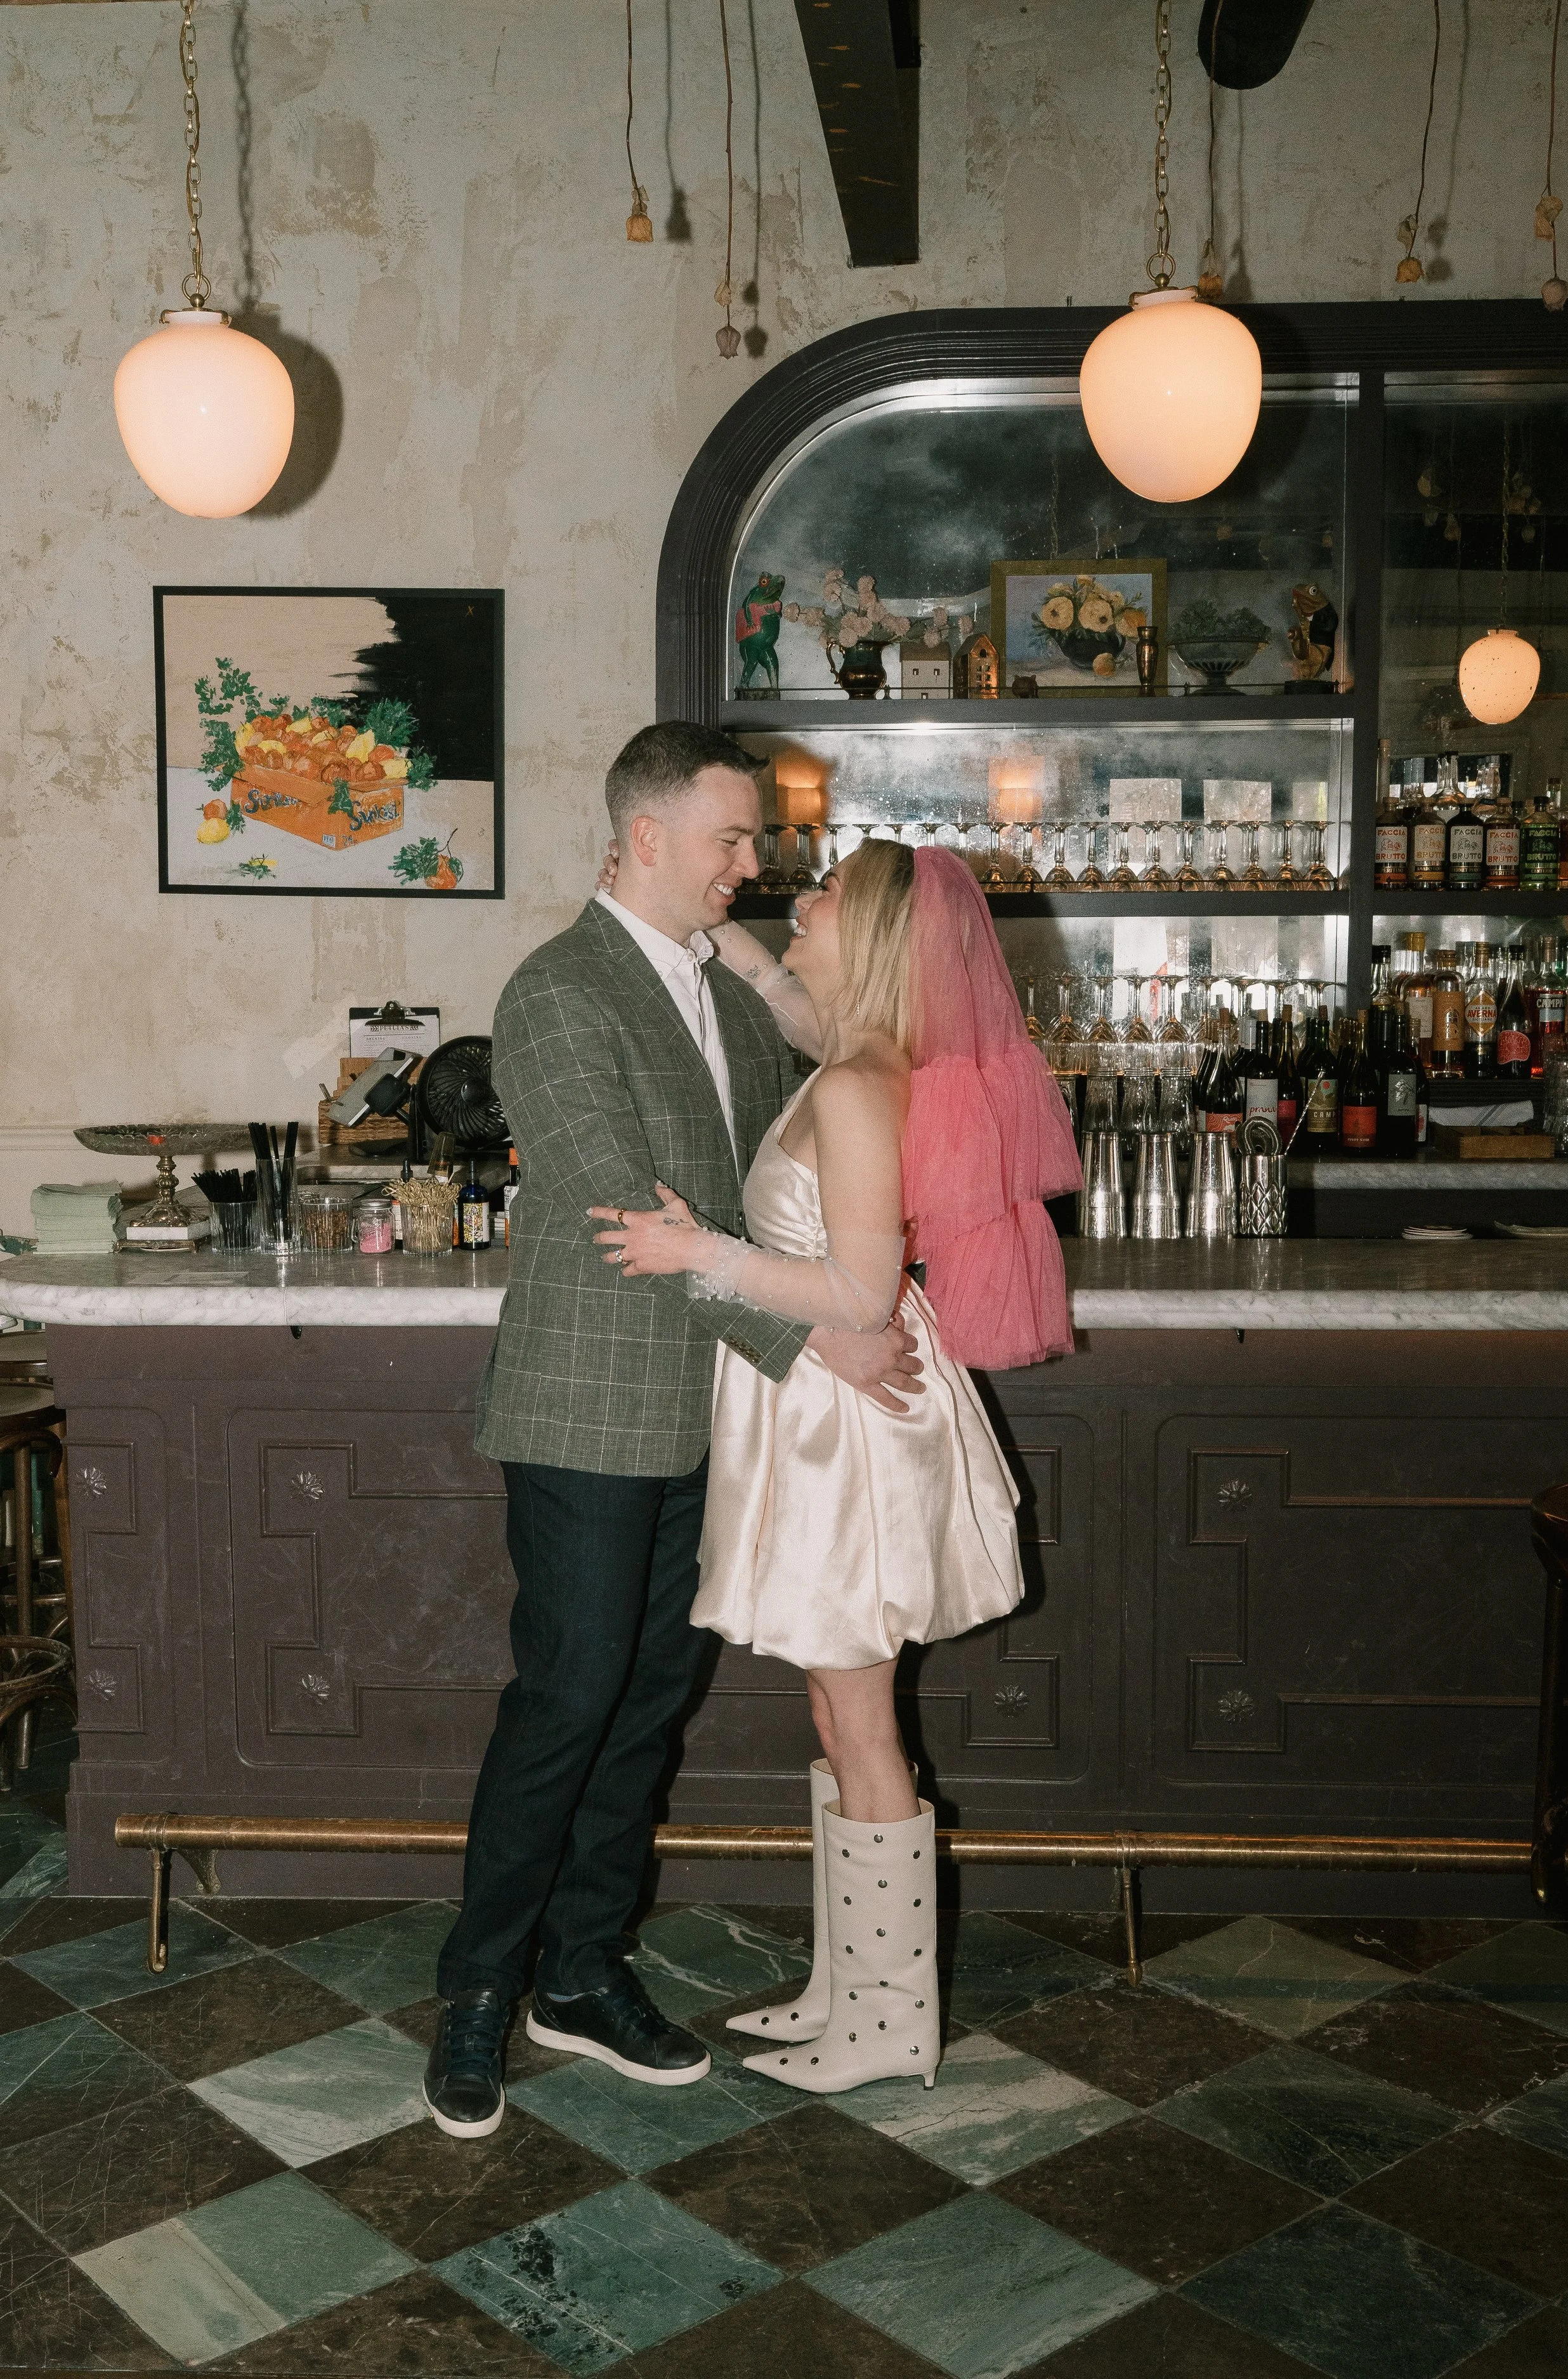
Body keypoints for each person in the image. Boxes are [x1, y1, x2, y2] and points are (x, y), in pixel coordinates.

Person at [424, 723, 924, 2139]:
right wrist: (822, 1328)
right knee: (567, 1700)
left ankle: (579, 1976)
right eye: (729, 840)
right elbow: (621, 1218)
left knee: (647, 1708)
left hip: (714, 1418)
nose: (750, 864)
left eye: (754, 841)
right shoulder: (555, 991)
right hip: (589, 1409)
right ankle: (475, 1989)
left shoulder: (722, 987)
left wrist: (758, 957)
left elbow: (846, 1085)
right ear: (644, 837)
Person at [591, 838, 1080, 2092]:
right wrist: (720, 935)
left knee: (861, 1720)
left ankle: (885, 2028)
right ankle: (845, 1988)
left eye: (820, 900)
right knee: (836, 1707)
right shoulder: (849, 1058)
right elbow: (790, 1003)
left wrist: (694, 1251)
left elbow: (861, 1292)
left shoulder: (862, 1085)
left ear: (866, 940)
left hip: (851, 1433)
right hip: (823, 1420)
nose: (793, 902)